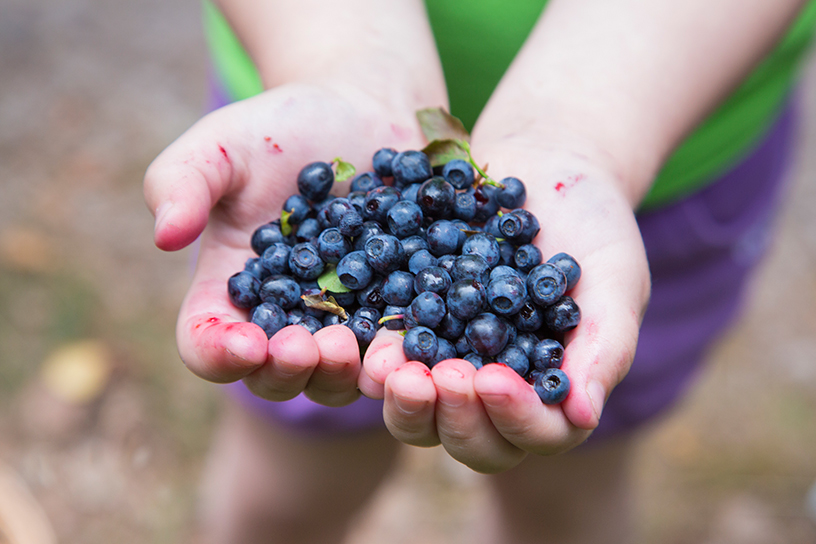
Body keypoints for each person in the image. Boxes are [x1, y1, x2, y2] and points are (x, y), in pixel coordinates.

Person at [143, 1, 816, 542]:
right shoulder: (343, 217)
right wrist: (343, 59)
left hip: (666, 164)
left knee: (567, 496)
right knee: (283, 491)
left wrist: (586, 130)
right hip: (300, 59)